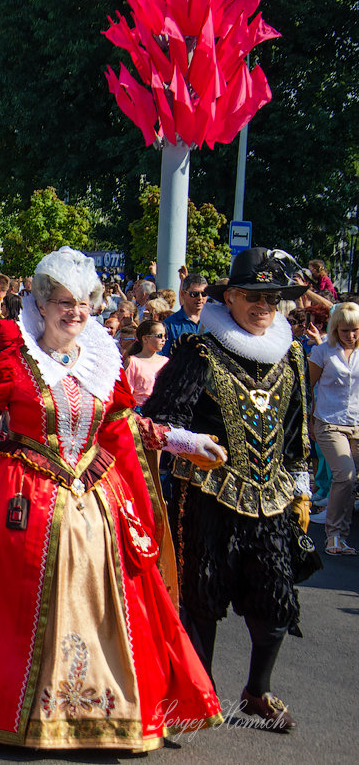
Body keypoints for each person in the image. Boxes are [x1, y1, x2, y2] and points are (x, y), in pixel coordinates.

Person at [0, 246, 224, 751]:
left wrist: (184, 440)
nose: (73, 311)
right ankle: (4, 704)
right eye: (62, 301)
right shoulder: (14, 358)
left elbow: (124, 427)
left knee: (106, 603)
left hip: (95, 502)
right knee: (9, 604)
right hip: (21, 499)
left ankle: (99, 708)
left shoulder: (102, 360)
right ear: (41, 303)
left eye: (82, 301)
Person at [143, 246, 313, 732]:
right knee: (202, 598)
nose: (265, 306)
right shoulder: (200, 351)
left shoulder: (293, 354)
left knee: (276, 602)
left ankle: (256, 692)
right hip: (209, 496)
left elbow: (298, 430)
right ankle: (202, 694)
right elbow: (160, 418)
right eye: (253, 295)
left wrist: (300, 489)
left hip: (272, 498)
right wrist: (192, 442)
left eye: (273, 297)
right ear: (231, 297)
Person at [306, 302, 359, 555]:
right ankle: (333, 535)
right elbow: (307, 387)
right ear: (336, 328)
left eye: (356, 330)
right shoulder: (323, 352)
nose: (351, 335)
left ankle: (342, 536)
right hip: (329, 422)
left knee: (350, 482)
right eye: (345, 330)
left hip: (357, 424)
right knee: (345, 475)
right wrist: (309, 420)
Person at [123, 319, 168, 408]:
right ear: (145, 338)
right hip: (139, 411)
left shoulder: (166, 361)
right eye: (159, 336)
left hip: (160, 410)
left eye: (165, 336)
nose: (163, 339)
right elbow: (126, 393)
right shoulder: (133, 362)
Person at [161, 273, 208, 355]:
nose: (200, 298)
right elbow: (163, 357)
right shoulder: (169, 324)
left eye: (204, 294)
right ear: (183, 294)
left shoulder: (214, 322)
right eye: (194, 294)